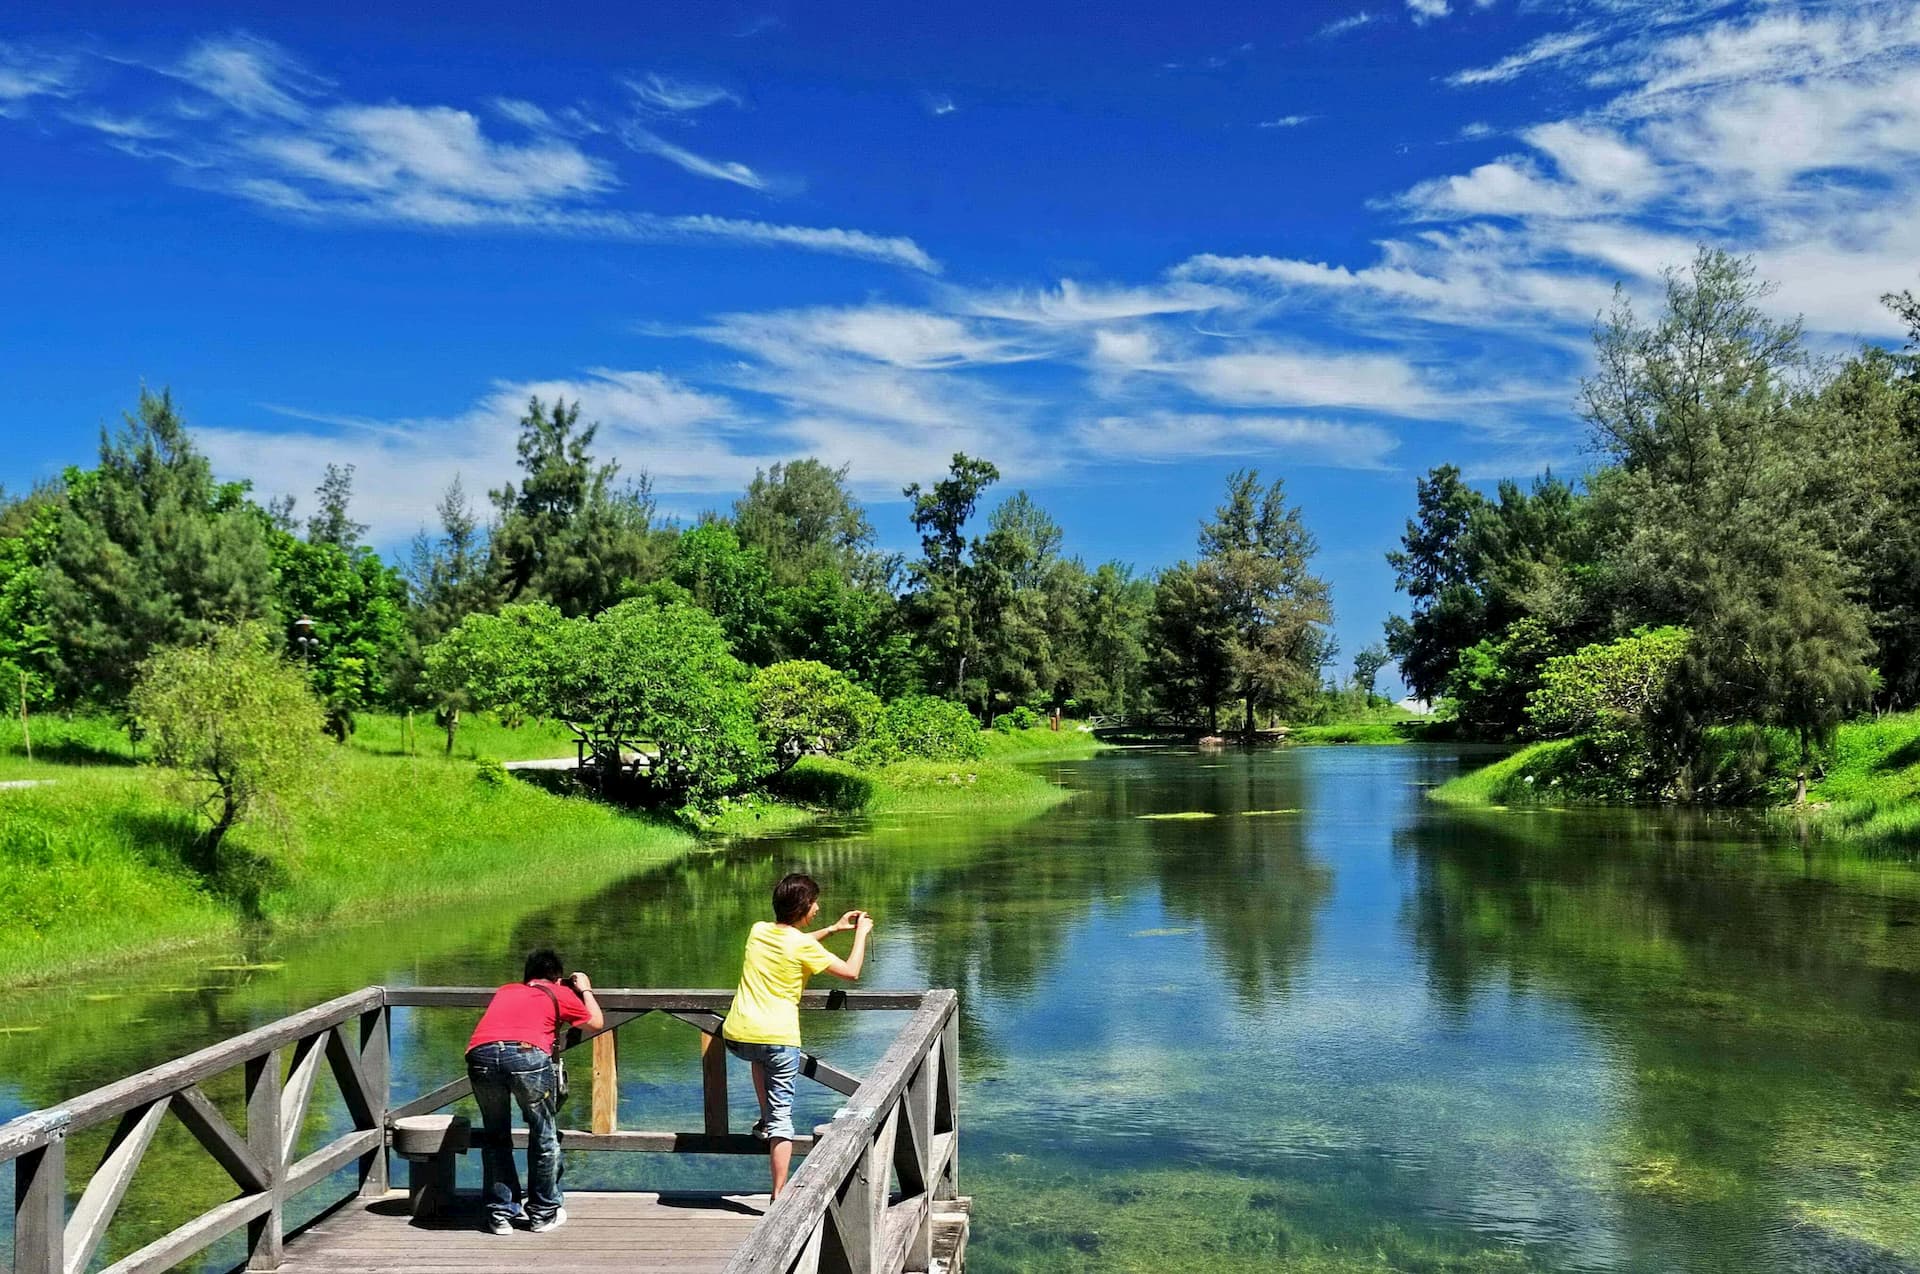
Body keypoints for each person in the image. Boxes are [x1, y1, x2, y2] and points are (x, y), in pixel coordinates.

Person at [721, 873, 873, 1198]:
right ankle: (779, 1194)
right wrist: (860, 934)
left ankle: (763, 1119)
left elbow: (793, 943)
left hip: (736, 1035)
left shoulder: (758, 931)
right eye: (814, 903)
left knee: (759, 1059)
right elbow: (851, 971)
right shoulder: (802, 945)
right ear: (803, 907)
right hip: (777, 1036)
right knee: (782, 1119)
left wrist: (833, 929)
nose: (817, 908)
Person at [465, 948, 604, 1235]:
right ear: (557, 977)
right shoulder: (559, 993)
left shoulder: (506, 990)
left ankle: (500, 1214)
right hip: (526, 1056)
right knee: (543, 1135)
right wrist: (585, 989)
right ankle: (542, 1213)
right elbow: (595, 1022)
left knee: (495, 1136)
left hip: (481, 1056)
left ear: (526, 975)